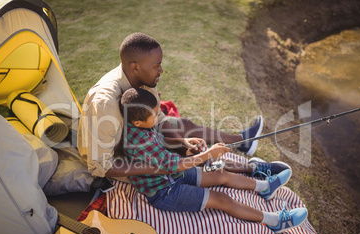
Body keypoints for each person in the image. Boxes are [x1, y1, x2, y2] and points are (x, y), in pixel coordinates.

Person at [77, 32, 289, 183]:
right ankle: (251, 169)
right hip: (121, 158)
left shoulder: (143, 78)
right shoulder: (104, 102)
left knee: (186, 136)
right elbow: (101, 166)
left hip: (142, 139)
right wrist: (158, 165)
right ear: (135, 67)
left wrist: (182, 141)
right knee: (188, 163)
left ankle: (247, 156)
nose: (161, 70)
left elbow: (158, 120)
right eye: (156, 65)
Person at [119, 88, 308, 234]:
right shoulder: (139, 141)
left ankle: (264, 187)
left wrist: (184, 141)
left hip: (171, 175)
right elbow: (173, 165)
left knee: (220, 174)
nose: (157, 116)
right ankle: (275, 221)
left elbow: (160, 142)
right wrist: (208, 154)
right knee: (222, 199)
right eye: (154, 115)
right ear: (138, 123)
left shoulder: (140, 125)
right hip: (165, 191)